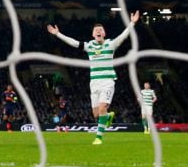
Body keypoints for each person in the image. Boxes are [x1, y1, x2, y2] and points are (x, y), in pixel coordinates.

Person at [48, 11, 141, 145]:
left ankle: (99, 137)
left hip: (107, 82)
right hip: (94, 83)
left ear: (104, 33)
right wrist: (58, 34)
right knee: (96, 114)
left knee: (102, 108)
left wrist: (132, 23)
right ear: (93, 34)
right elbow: (74, 43)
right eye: (96, 30)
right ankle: (108, 116)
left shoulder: (111, 44)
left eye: (100, 30)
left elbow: (124, 35)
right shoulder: (89, 46)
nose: (98, 31)